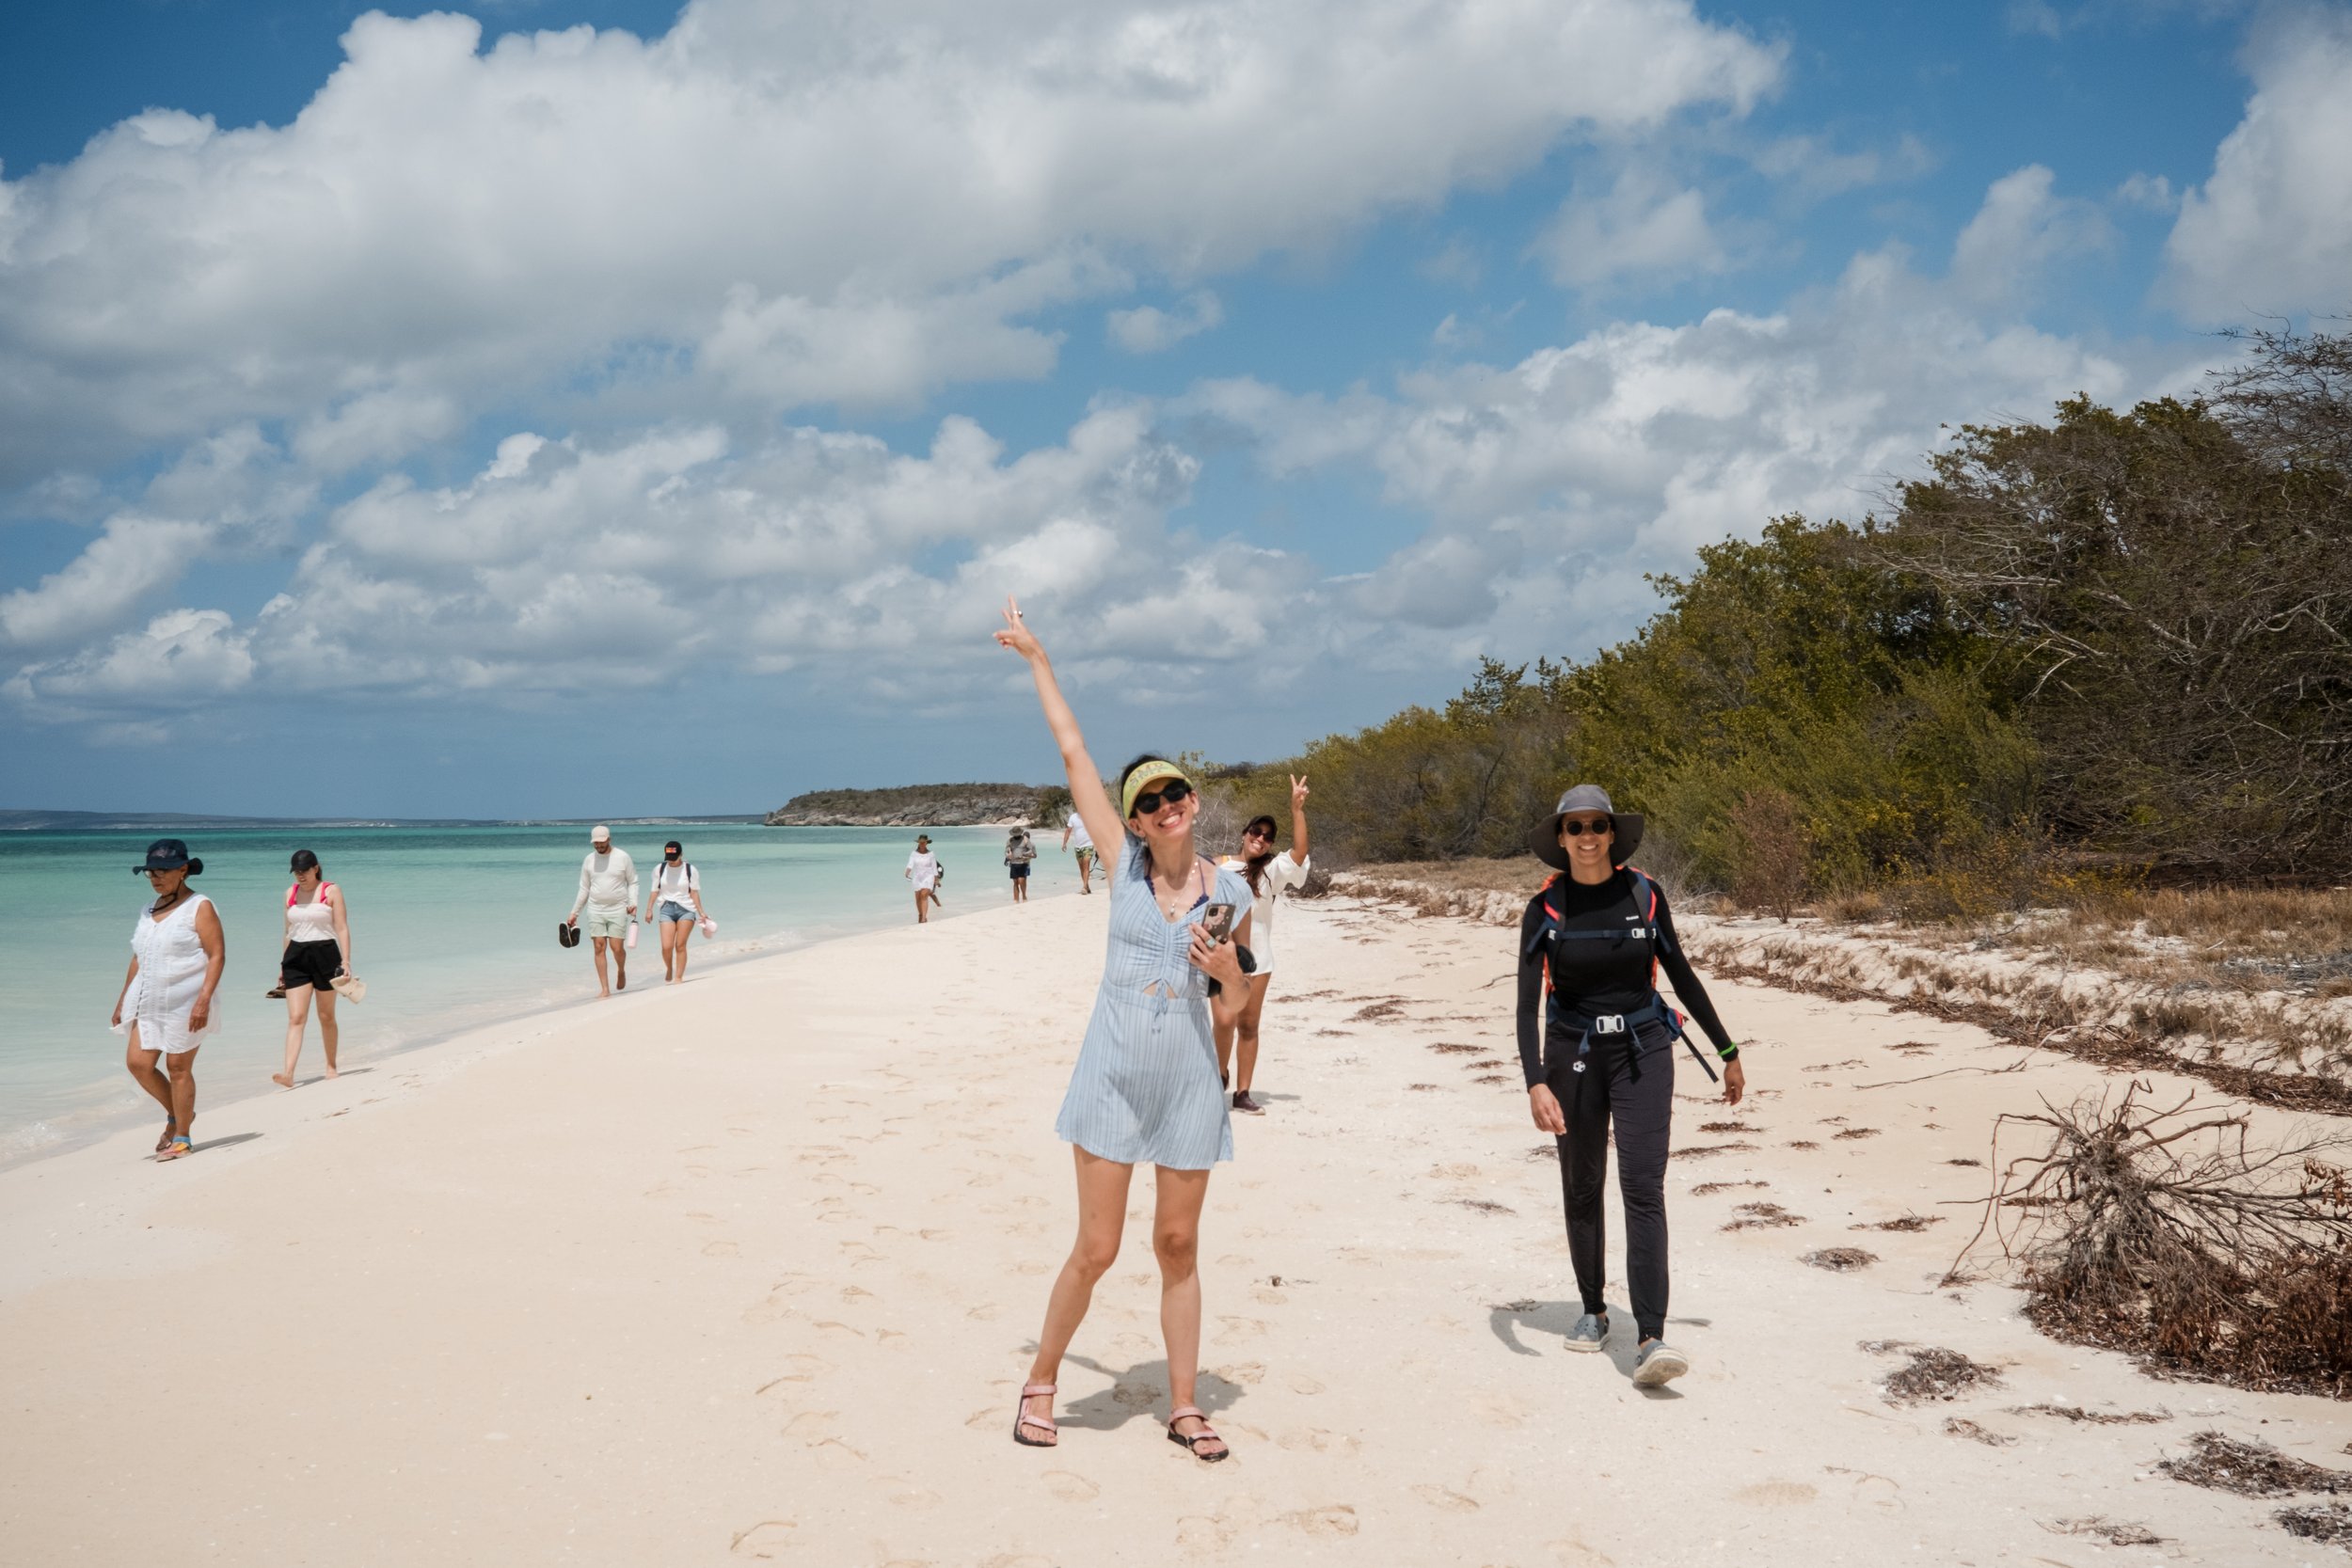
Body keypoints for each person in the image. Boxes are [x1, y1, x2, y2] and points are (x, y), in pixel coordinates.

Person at [993, 596, 1253, 1465]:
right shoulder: (1122, 866)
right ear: (1135, 820)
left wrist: (1229, 978)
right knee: (1098, 1247)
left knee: (1177, 1243)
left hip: (1185, 1082)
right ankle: (1041, 1377)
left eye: (1177, 790)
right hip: (1110, 1076)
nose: (1168, 805)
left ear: (1194, 800)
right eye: (1151, 800)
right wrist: (1038, 658)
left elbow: (1235, 1009)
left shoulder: (1232, 893)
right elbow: (1074, 755)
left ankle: (1184, 1404)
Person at [1518, 784, 1747, 1388]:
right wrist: (1535, 1082)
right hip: (1572, 1054)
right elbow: (1523, 1008)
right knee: (1583, 1183)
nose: (1587, 836)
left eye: (1598, 825)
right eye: (1575, 827)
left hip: (1644, 1050)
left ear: (1613, 832)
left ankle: (1650, 1335)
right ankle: (1593, 1311)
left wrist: (1727, 1049)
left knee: (1643, 1187)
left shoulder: (1644, 894)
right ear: (1560, 837)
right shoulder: (1545, 908)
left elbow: (1681, 973)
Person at [110, 839, 224, 1162]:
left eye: (163, 871)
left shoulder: (200, 906)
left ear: (183, 870)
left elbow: (217, 955)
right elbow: (139, 956)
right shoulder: (148, 909)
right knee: (138, 1064)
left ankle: (183, 1137)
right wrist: (122, 1001)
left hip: (187, 999)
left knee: (177, 1067)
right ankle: (177, 1115)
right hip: (148, 1000)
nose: (156, 877)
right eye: (151, 872)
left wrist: (203, 1001)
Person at [1214, 775, 1311, 1116]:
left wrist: (1296, 809)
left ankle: (1242, 1093)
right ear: (1244, 833)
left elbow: (1299, 854)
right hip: (1223, 961)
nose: (1261, 839)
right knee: (1224, 1022)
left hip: (1259, 961)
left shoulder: (1270, 872)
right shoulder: (1220, 867)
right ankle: (1219, 1075)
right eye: (1256, 832)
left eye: (1268, 837)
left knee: (1249, 1026)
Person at [271, 848, 353, 1087]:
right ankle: (288, 1073)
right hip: (296, 957)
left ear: (315, 868)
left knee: (326, 1016)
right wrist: (282, 964)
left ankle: (331, 1066)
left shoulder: (331, 890)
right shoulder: (290, 893)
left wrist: (345, 961)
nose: (300, 876)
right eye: (296, 872)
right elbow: (288, 931)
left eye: (304, 870)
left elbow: (342, 928)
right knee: (296, 1017)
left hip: (326, 954)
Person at [564, 826, 638, 997]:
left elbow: (633, 881)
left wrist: (633, 902)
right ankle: (605, 989)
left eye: (601, 842)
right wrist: (574, 912)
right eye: (595, 843)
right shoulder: (589, 860)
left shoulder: (622, 857)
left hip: (618, 908)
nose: (598, 846)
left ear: (609, 839)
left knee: (616, 948)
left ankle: (621, 970)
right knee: (599, 947)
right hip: (595, 908)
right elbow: (584, 888)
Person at [644, 840, 707, 984]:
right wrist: (649, 909)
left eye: (674, 858)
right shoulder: (659, 869)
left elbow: (694, 893)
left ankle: (678, 977)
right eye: (669, 859)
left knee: (680, 945)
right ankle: (669, 968)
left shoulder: (690, 870)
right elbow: (654, 891)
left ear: (681, 854)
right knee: (666, 947)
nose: (671, 862)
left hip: (686, 909)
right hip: (666, 908)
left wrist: (701, 912)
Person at [1060, 806, 1097, 894]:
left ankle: (1084, 887)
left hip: (1088, 844)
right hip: (1078, 846)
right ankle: (1087, 886)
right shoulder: (1073, 817)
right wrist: (1064, 843)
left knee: (1086, 865)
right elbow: (1068, 830)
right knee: (1081, 868)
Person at [906, 834, 941, 923]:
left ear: (926, 843)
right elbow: (910, 864)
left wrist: (936, 879)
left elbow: (934, 867)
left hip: (928, 876)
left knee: (924, 894)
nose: (922, 844)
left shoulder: (931, 854)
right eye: (920, 842)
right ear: (918, 843)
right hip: (917, 876)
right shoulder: (914, 853)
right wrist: (907, 872)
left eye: (923, 842)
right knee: (918, 897)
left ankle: (923, 918)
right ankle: (920, 914)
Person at [1005, 825, 1038, 903]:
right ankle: (1016, 900)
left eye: (1017, 834)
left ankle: (1024, 896)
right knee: (1015, 882)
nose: (1015, 836)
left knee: (1021, 880)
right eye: (1014, 834)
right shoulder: (1010, 841)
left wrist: (1024, 854)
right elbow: (1006, 850)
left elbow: (1031, 851)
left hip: (1023, 862)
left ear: (1020, 833)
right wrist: (1007, 855)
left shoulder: (1025, 840)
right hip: (1013, 863)